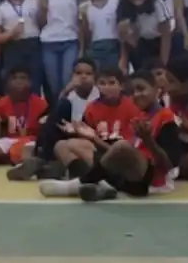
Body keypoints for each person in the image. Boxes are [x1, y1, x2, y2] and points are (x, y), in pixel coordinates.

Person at [41, 68, 180, 201]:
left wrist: (148, 141)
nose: (136, 94)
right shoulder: (142, 115)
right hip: (126, 172)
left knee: (122, 147)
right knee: (64, 145)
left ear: (156, 89)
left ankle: (77, 185)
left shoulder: (166, 118)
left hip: (150, 180)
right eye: (133, 91)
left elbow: (169, 165)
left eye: (141, 89)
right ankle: (103, 187)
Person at [10, 57, 99, 181]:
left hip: (86, 135)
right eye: (78, 73)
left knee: (44, 139)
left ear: (95, 77)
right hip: (67, 132)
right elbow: (56, 115)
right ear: (71, 75)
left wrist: (76, 130)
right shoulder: (69, 94)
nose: (83, 77)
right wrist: (67, 90)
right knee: (58, 112)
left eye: (88, 74)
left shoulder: (98, 94)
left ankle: (44, 162)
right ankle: (44, 164)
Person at [0, 0, 43, 95]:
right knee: (14, 84)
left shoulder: (33, 3)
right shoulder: (1, 8)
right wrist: (10, 34)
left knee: (34, 81)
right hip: (13, 47)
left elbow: (43, 23)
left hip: (33, 45)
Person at [37, 0, 80, 100]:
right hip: (49, 42)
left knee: (67, 82)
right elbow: (41, 22)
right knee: (53, 84)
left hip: (70, 41)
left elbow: (81, 20)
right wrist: (42, 8)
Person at [117, 0, 177, 72]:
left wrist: (163, 64)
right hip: (143, 43)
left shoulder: (157, 3)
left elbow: (166, 35)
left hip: (163, 41)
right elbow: (125, 40)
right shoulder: (126, 9)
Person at [79, 0, 121, 71]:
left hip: (114, 47)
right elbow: (84, 35)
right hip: (95, 49)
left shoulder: (116, 2)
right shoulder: (84, 7)